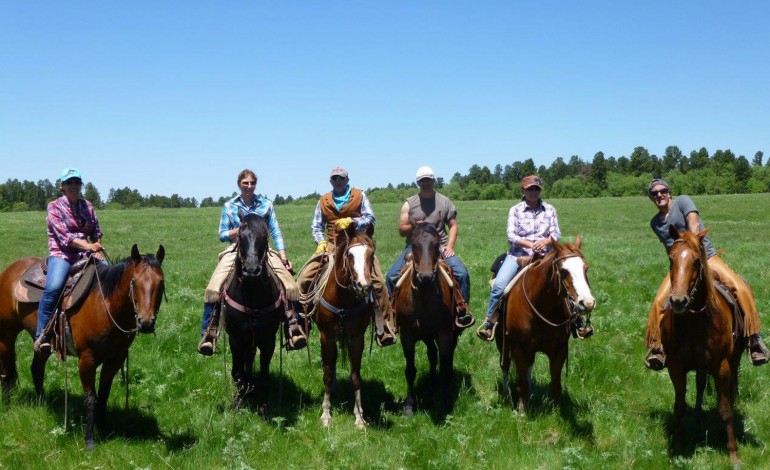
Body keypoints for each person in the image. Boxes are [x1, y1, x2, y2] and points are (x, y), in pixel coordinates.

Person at [644, 178, 769, 369]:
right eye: (654, 193)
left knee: (739, 287)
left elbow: (693, 224)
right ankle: (657, 348)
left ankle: (754, 339)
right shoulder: (655, 223)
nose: (659, 195)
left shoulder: (683, 201)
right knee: (658, 303)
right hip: (680, 266)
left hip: (706, 258)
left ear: (669, 192)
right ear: (651, 198)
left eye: (662, 191)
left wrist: (692, 244)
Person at [197, 169, 306, 356]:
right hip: (237, 250)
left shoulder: (266, 205)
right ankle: (208, 333)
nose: (249, 186)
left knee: (290, 284)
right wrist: (239, 231)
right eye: (245, 183)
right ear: (239, 184)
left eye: (252, 183)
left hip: (263, 251)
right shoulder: (229, 206)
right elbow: (222, 234)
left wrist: (283, 255)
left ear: (256, 184)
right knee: (213, 287)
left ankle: (294, 328)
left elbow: (276, 232)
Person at [476, 175, 594, 341]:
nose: (533, 192)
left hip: (547, 256)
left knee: (564, 284)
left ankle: (577, 322)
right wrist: (531, 245)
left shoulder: (550, 209)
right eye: (529, 189)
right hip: (518, 255)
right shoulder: (515, 210)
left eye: (536, 189)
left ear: (540, 191)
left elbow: (556, 233)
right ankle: (490, 323)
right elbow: (511, 235)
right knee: (500, 285)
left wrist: (545, 241)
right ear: (523, 191)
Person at [296, 166, 396, 346]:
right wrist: (320, 242)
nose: (338, 181)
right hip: (332, 245)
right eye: (334, 178)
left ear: (347, 180)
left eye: (341, 178)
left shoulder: (359, 195)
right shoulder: (323, 200)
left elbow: (371, 218)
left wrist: (353, 221)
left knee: (378, 282)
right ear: (330, 181)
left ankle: (386, 327)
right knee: (303, 279)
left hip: (357, 244)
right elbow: (316, 227)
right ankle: (301, 325)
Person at [386, 166, 474, 328]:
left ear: (434, 180)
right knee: (391, 276)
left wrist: (449, 246)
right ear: (418, 182)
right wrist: (415, 227)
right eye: (422, 181)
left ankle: (462, 310)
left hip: (438, 246)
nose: (425, 183)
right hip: (416, 247)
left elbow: (453, 226)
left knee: (461, 273)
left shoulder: (444, 201)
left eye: (428, 180)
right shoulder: (409, 204)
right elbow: (401, 230)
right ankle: (393, 314)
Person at [34, 168, 105, 354]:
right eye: (69, 182)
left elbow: (96, 231)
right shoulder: (54, 207)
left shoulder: (87, 206)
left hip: (87, 253)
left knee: (112, 277)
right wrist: (89, 247)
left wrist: (97, 246)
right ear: (62, 186)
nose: (74, 186)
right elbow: (65, 237)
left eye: (77, 182)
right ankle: (42, 335)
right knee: (54, 287)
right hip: (62, 254)